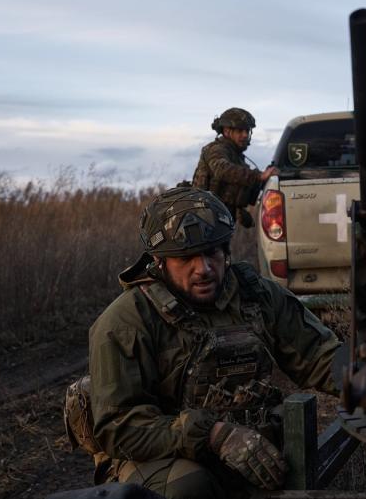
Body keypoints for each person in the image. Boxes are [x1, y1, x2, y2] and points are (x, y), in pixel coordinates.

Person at [77, 187, 341, 499]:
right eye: (186, 257)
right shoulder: (125, 322)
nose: (203, 269)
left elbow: (317, 355)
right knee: (190, 487)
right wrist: (215, 435)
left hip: (251, 447)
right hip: (158, 458)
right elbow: (118, 426)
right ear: (159, 262)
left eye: (213, 252)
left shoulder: (257, 295)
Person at [192, 107, 279, 228]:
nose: (244, 135)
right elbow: (222, 170)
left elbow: (237, 189)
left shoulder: (237, 158)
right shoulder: (216, 149)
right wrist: (258, 176)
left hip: (219, 222)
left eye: (247, 131)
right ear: (227, 131)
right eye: (240, 131)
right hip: (203, 219)